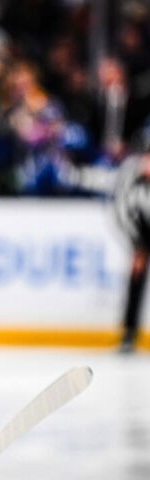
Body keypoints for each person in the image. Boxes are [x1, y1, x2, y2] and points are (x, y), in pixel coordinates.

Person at [113, 136, 150, 353]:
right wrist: (137, 244)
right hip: (141, 235)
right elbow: (122, 211)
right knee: (135, 283)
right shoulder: (132, 178)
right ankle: (128, 333)